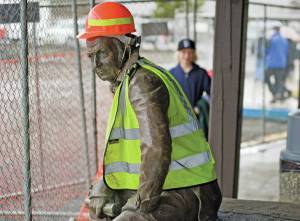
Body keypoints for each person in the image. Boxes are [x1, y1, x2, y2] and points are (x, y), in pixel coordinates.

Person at [77, 2, 222, 221]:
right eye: (91, 56)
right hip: (169, 184)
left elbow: (157, 149)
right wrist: (105, 186)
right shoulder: (127, 81)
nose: (95, 64)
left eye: (101, 53)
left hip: (191, 191)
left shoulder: (142, 83)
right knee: (98, 206)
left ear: (124, 47)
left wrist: (138, 205)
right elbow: (135, 152)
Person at [169, 39, 211, 138]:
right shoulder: (171, 74)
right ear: (178, 54)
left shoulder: (201, 73)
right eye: (183, 52)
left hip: (195, 120)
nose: (187, 56)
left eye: (190, 52)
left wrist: (200, 106)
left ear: (194, 54)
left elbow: (212, 94)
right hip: (176, 120)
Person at [265, 26, 289, 102]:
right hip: (282, 64)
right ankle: (277, 94)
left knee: (266, 78)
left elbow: (266, 51)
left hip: (272, 64)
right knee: (279, 81)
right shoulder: (284, 40)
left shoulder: (271, 40)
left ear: (274, 30)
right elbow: (286, 52)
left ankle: (274, 93)